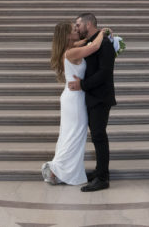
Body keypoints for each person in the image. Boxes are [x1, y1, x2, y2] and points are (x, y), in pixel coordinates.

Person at [42, 20, 109, 186]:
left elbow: (86, 42)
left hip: (73, 97)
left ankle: (60, 169)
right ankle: (60, 170)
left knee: (70, 134)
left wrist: (100, 34)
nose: (77, 30)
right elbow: (92, 47)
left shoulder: (71, 48)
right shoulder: (71, 53)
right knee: (74, 135)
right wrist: (103, 32)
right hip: (75, 99)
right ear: (67, 35)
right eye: (74, 29)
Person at [68, 13, 116, 192]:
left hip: (101, 97)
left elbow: (104, 73)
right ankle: (99, 170)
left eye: (78, 24)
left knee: (99, 136)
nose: (77, 28)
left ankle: (103, 178)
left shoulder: (104, 44)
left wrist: (83, 85)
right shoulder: (92, 42)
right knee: (96, 136)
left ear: (88, 24)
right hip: (92, 96)